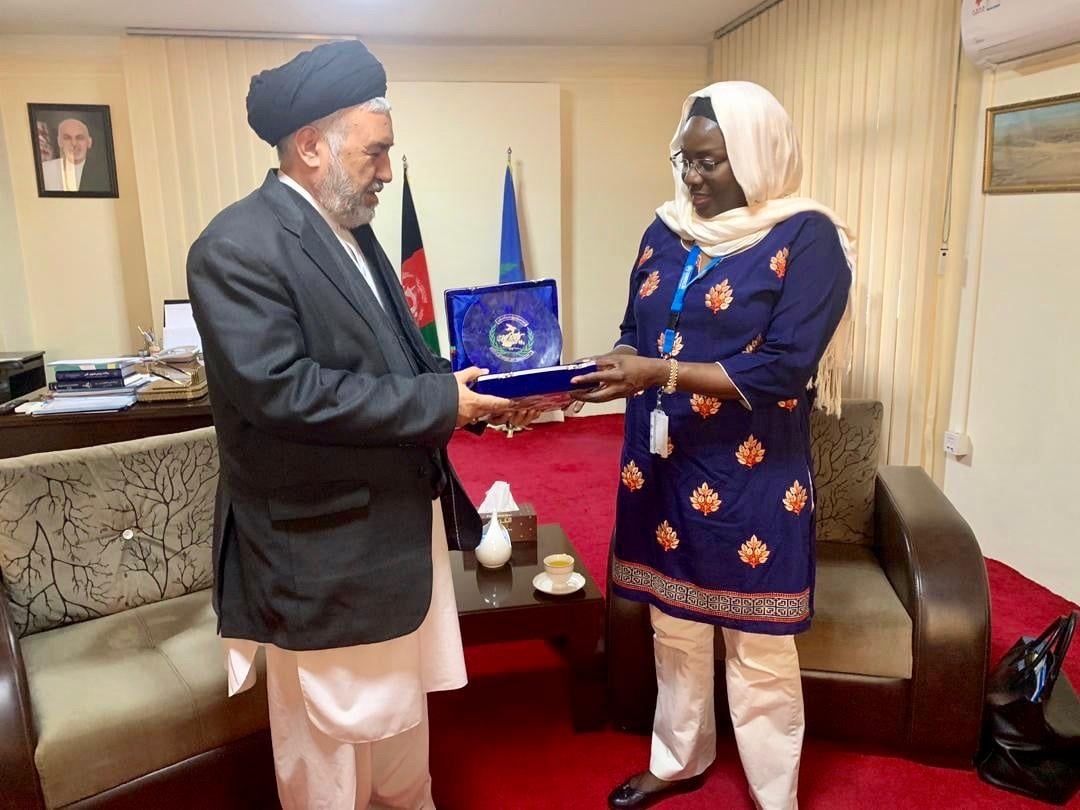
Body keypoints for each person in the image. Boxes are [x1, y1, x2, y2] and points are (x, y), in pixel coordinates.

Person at [186, 39, 521, 809]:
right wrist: (439, 406)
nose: (386, 171)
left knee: (401, 728)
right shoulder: (235, 246)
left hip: (391, 540)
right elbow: (282, 392)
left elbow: (393, 361)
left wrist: (464, 388)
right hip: (321, 553)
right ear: (311, 147)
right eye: (376, 153)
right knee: (330, 755)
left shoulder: (352, 230)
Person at [571, 82, 855, 810]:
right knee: (676, 622)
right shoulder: (664, 229)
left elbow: (785, 366)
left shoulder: (808, 237)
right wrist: (606, 370)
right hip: (661, 459)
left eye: (710, 164)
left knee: (758, 643)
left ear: (757, 157)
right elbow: (636, 328)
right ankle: (679, 758)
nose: (691, 179)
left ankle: (774, 792)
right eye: (685, 160)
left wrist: (660, 371)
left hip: (753, 467)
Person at [40, 117, 107, 192]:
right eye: (67, 138)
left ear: (89, 142)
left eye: (80, 138)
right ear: (59, 142)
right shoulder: (44, 170)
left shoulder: (104, 172)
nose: (74, 143)